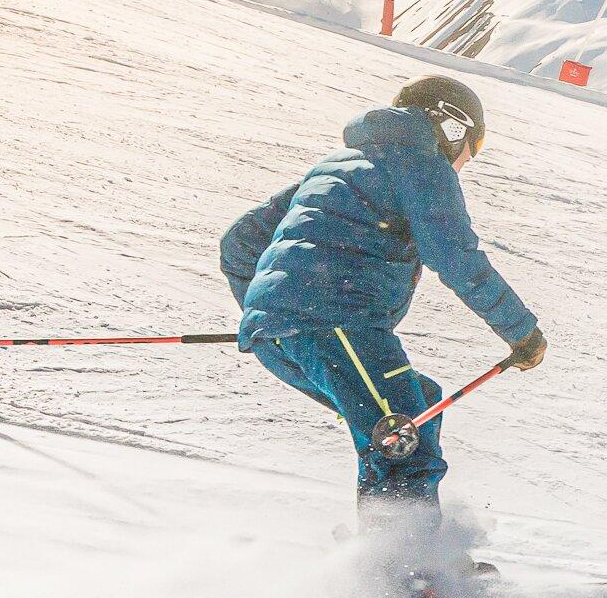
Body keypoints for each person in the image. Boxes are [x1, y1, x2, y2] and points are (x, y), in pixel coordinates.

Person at [220, 75, 546, 518]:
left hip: (287, 335)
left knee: (413, 411)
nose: (468, 159)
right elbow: (454, 257)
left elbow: (240, 242)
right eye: (475, 146)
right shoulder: (420, 164)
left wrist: (268, 314)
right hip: (338, 324)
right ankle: (409, 572)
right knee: (403, 442)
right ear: (453, 128)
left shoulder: (338, 163)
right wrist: (523, 334)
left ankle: (395, 557)